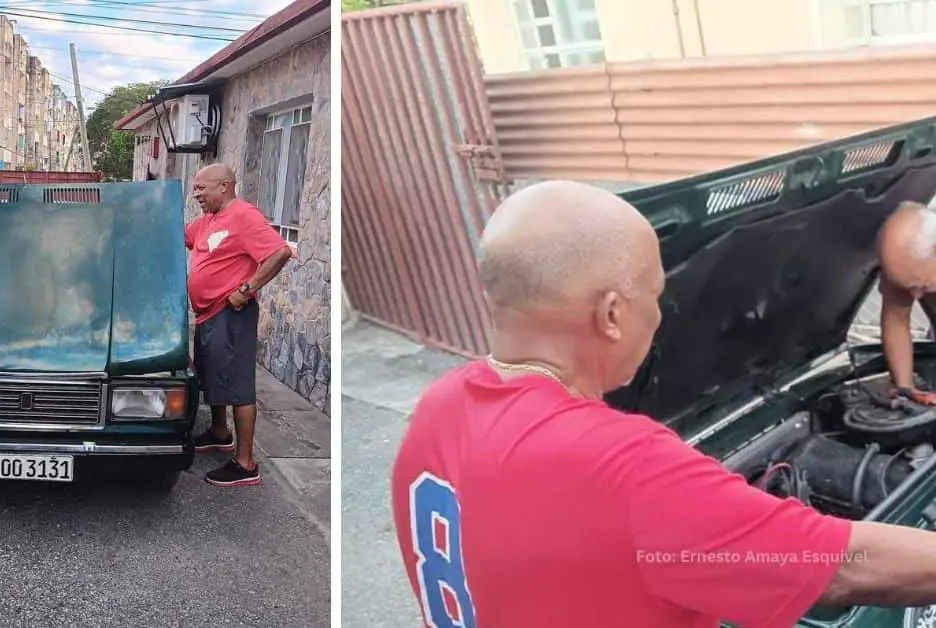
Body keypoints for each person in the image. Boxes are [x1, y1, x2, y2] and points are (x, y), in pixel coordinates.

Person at [391, 180, 936, 627]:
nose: (658, 317)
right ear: (611, 315)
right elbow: (842, 568)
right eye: (655, 296)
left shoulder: (436, 409)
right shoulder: (626, 470)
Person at [185, 163, 292, 487]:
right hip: (207, 314)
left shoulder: (244, 216)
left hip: (231, 313)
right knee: (213, 374)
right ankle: (220, 432)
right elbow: (178, 234)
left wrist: (246, 290)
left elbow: (279, 252)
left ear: (225, 186)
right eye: (195, 189)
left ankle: (245, 463)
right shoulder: (207, 221)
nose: (196, 194)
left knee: (238, 385)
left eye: (202, 188)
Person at [876, 199, 936, 402]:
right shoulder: (902, 263)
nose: (917, 296)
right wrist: (906, 391)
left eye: (922, 285)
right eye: (908, 287)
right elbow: (896, 321)